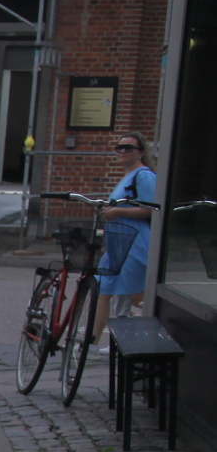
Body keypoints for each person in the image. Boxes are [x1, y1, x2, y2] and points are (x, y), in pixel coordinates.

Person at [88, 133, 158, 344]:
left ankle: (154, 334)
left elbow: (150, 210)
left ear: (141, 152)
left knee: (137, 296)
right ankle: (92, 341)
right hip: (117, 244)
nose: (122, 152)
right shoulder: (128, 176)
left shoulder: (144, 175)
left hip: (133, 243)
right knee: (103, 291)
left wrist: (118, 212)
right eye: (119, 148)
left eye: (128, 148)